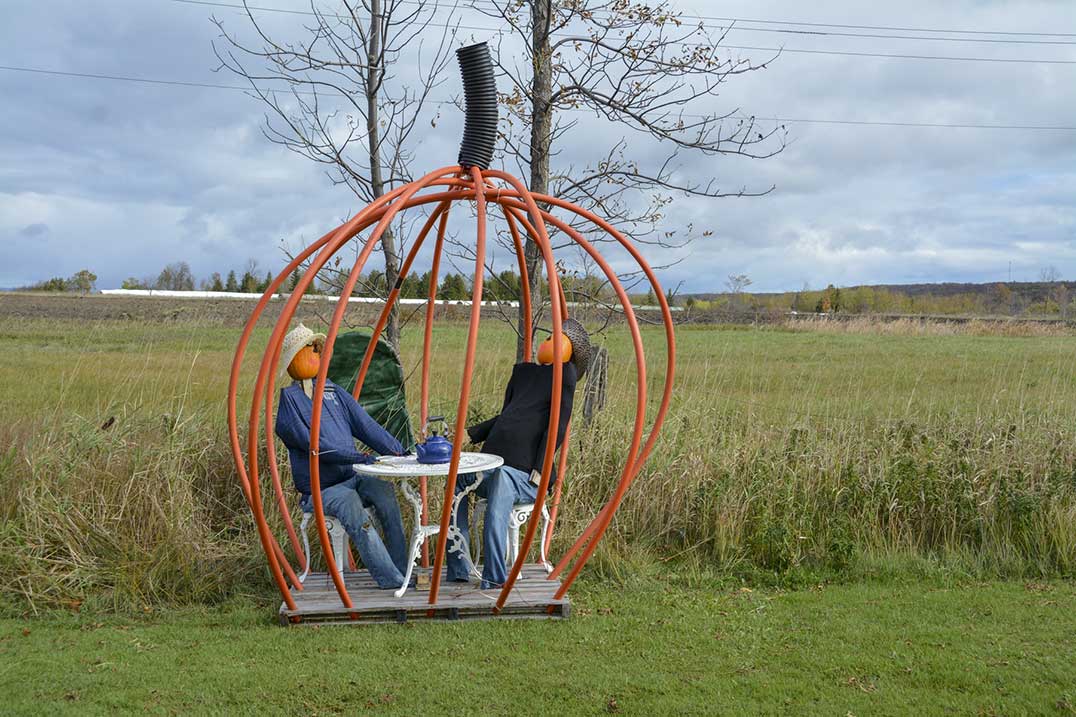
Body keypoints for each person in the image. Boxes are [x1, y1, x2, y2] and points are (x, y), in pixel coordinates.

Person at [446, 318, 592, 589]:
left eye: (558, 339)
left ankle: (494, 576)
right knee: (457, 477)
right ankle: (459, 566)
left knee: (502, 478)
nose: (549, 342)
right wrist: (470, 433)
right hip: (493, 465)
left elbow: (557, 428)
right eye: (550, 337)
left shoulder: (564, 376)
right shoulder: (524, 374)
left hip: (526, 475)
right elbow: (505, 417)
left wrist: (540, 468)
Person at [273, 323, 410, 589]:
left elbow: (366, 426)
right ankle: (391, 580)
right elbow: (316, 447)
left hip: (353, 476)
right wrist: (356, 457)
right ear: (296, 358)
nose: (316, 354)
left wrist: (400, 452)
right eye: (310, 349)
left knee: (384, 493)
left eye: (317, 349)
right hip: (321, 490)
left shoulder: (332, 391)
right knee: (351, 504)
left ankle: (402, 572)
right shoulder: (289, 402)